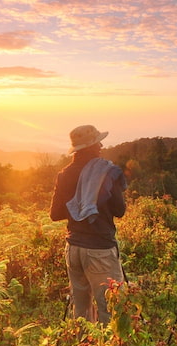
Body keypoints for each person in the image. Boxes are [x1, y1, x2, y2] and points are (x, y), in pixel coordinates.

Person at [50, 125, 127, 325]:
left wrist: (77, 207)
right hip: (99, 250)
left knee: (81, 311)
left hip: (73, 248)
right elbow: (119, 210)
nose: (101, 145)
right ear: (90, 147)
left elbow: (55, 214)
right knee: (111, 309)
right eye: (97, 142)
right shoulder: (106, 172)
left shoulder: (64, 174)